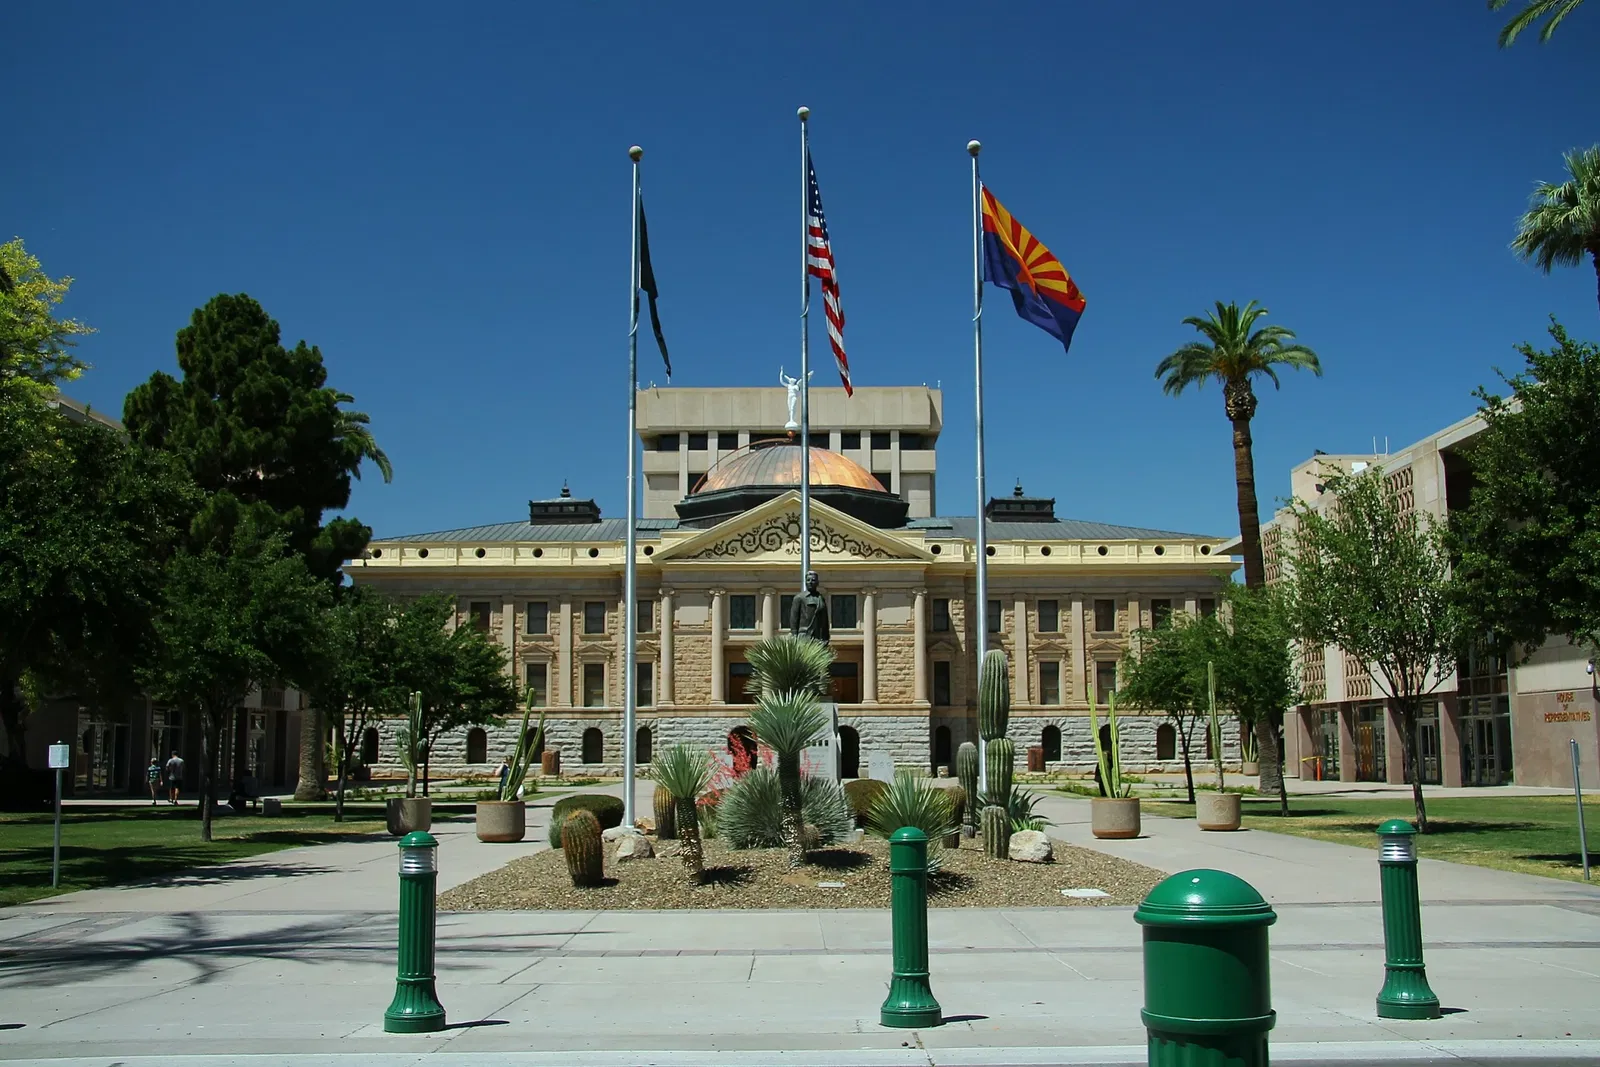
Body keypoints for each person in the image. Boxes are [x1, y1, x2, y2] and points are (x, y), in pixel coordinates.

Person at [789, 569, 830, 644]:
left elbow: (824, 620)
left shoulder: (821, 598)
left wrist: (825, 638)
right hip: (804, 636)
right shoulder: (799, 598)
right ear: (805, 582)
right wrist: (794, 636)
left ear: (817, 583)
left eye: (813, 580)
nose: (810, 582)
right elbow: (794, 619)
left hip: (817, 637)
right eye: (808, 580)